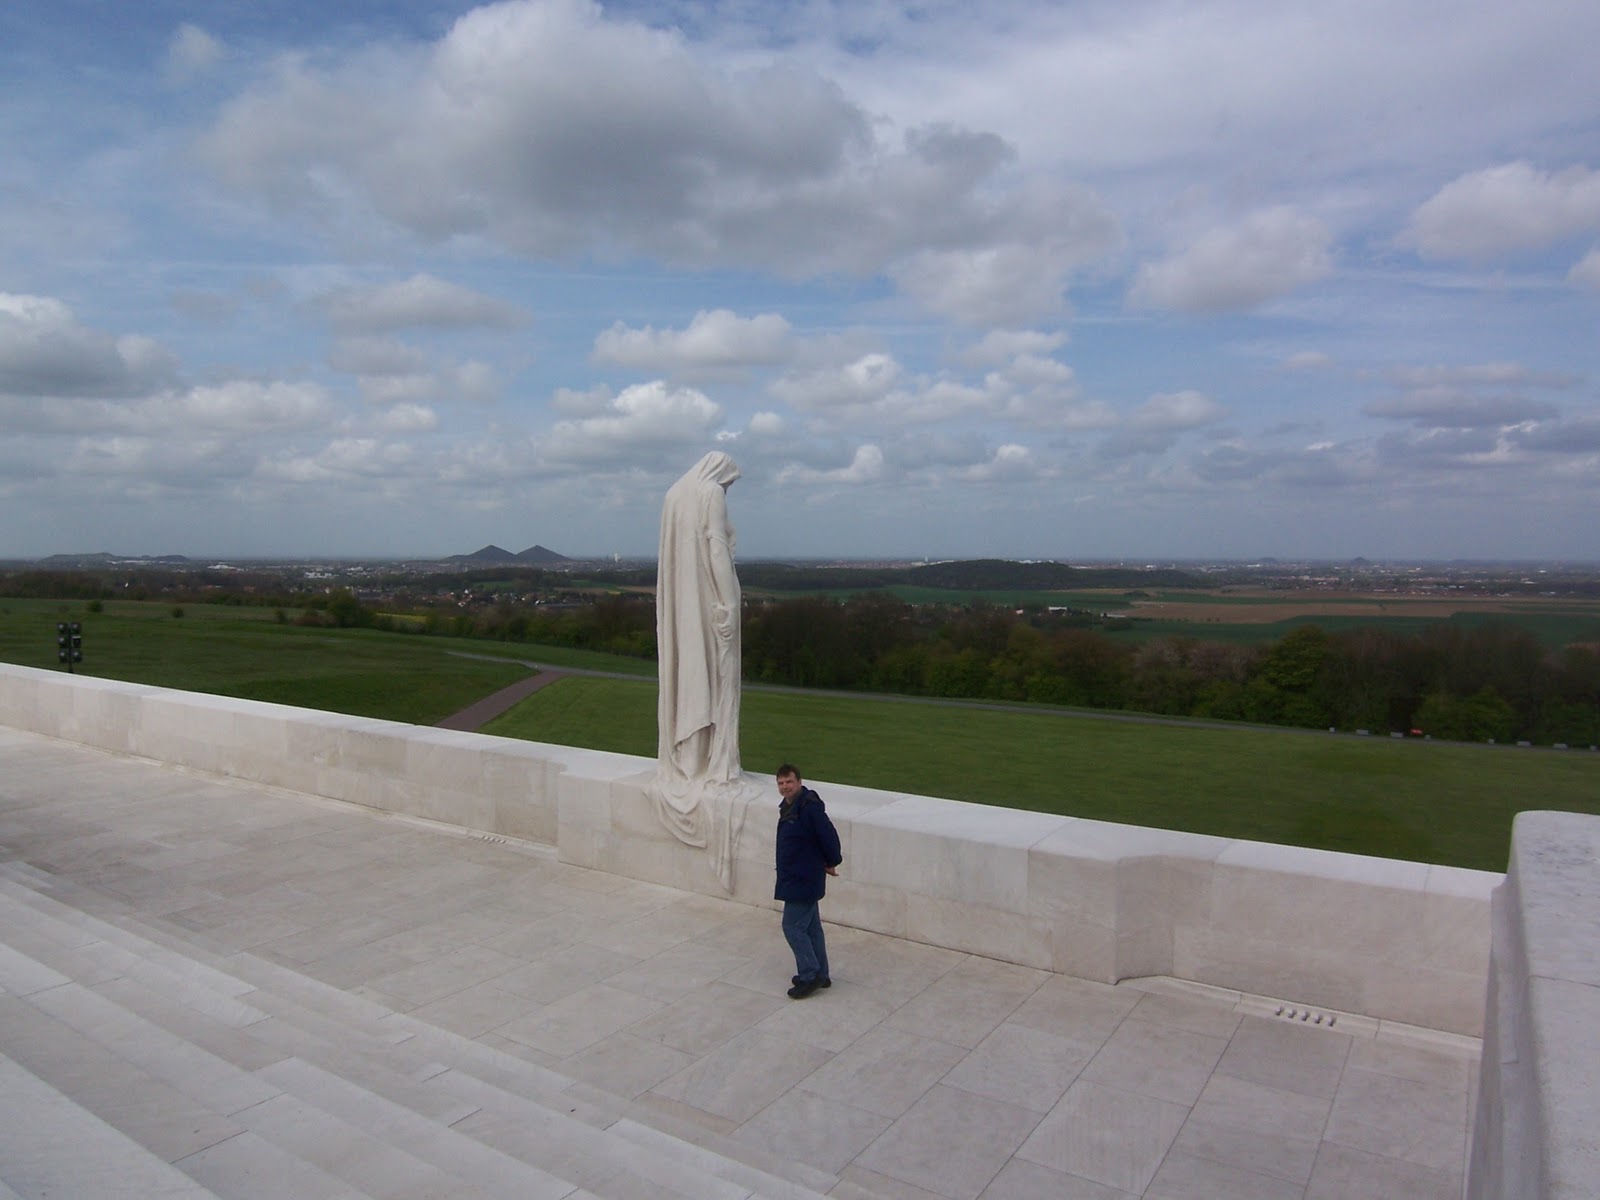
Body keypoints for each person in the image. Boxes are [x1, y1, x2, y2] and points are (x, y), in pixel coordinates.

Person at [651, 452, 745, 887]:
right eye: (730, 484)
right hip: (709, 607)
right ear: (719, 476)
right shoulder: (709, 493)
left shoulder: (674, 495)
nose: (727, 492)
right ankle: (703, 762)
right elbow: (717, 549)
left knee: (689, 677)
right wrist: (730, 605)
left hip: (684, 610)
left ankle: (690, 760)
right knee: (710, 679)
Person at [774, 764, 842, 998]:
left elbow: (828, 836)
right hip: (797, 877)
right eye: (781, 783)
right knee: (811, 927)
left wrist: (832, 861)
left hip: (803, 879)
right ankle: (821, 973)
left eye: (789, 782)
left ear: (799, 782)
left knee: (792, 926)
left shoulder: (809, 809)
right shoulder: (789, 807)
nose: (785, 787)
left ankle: (810, 975)